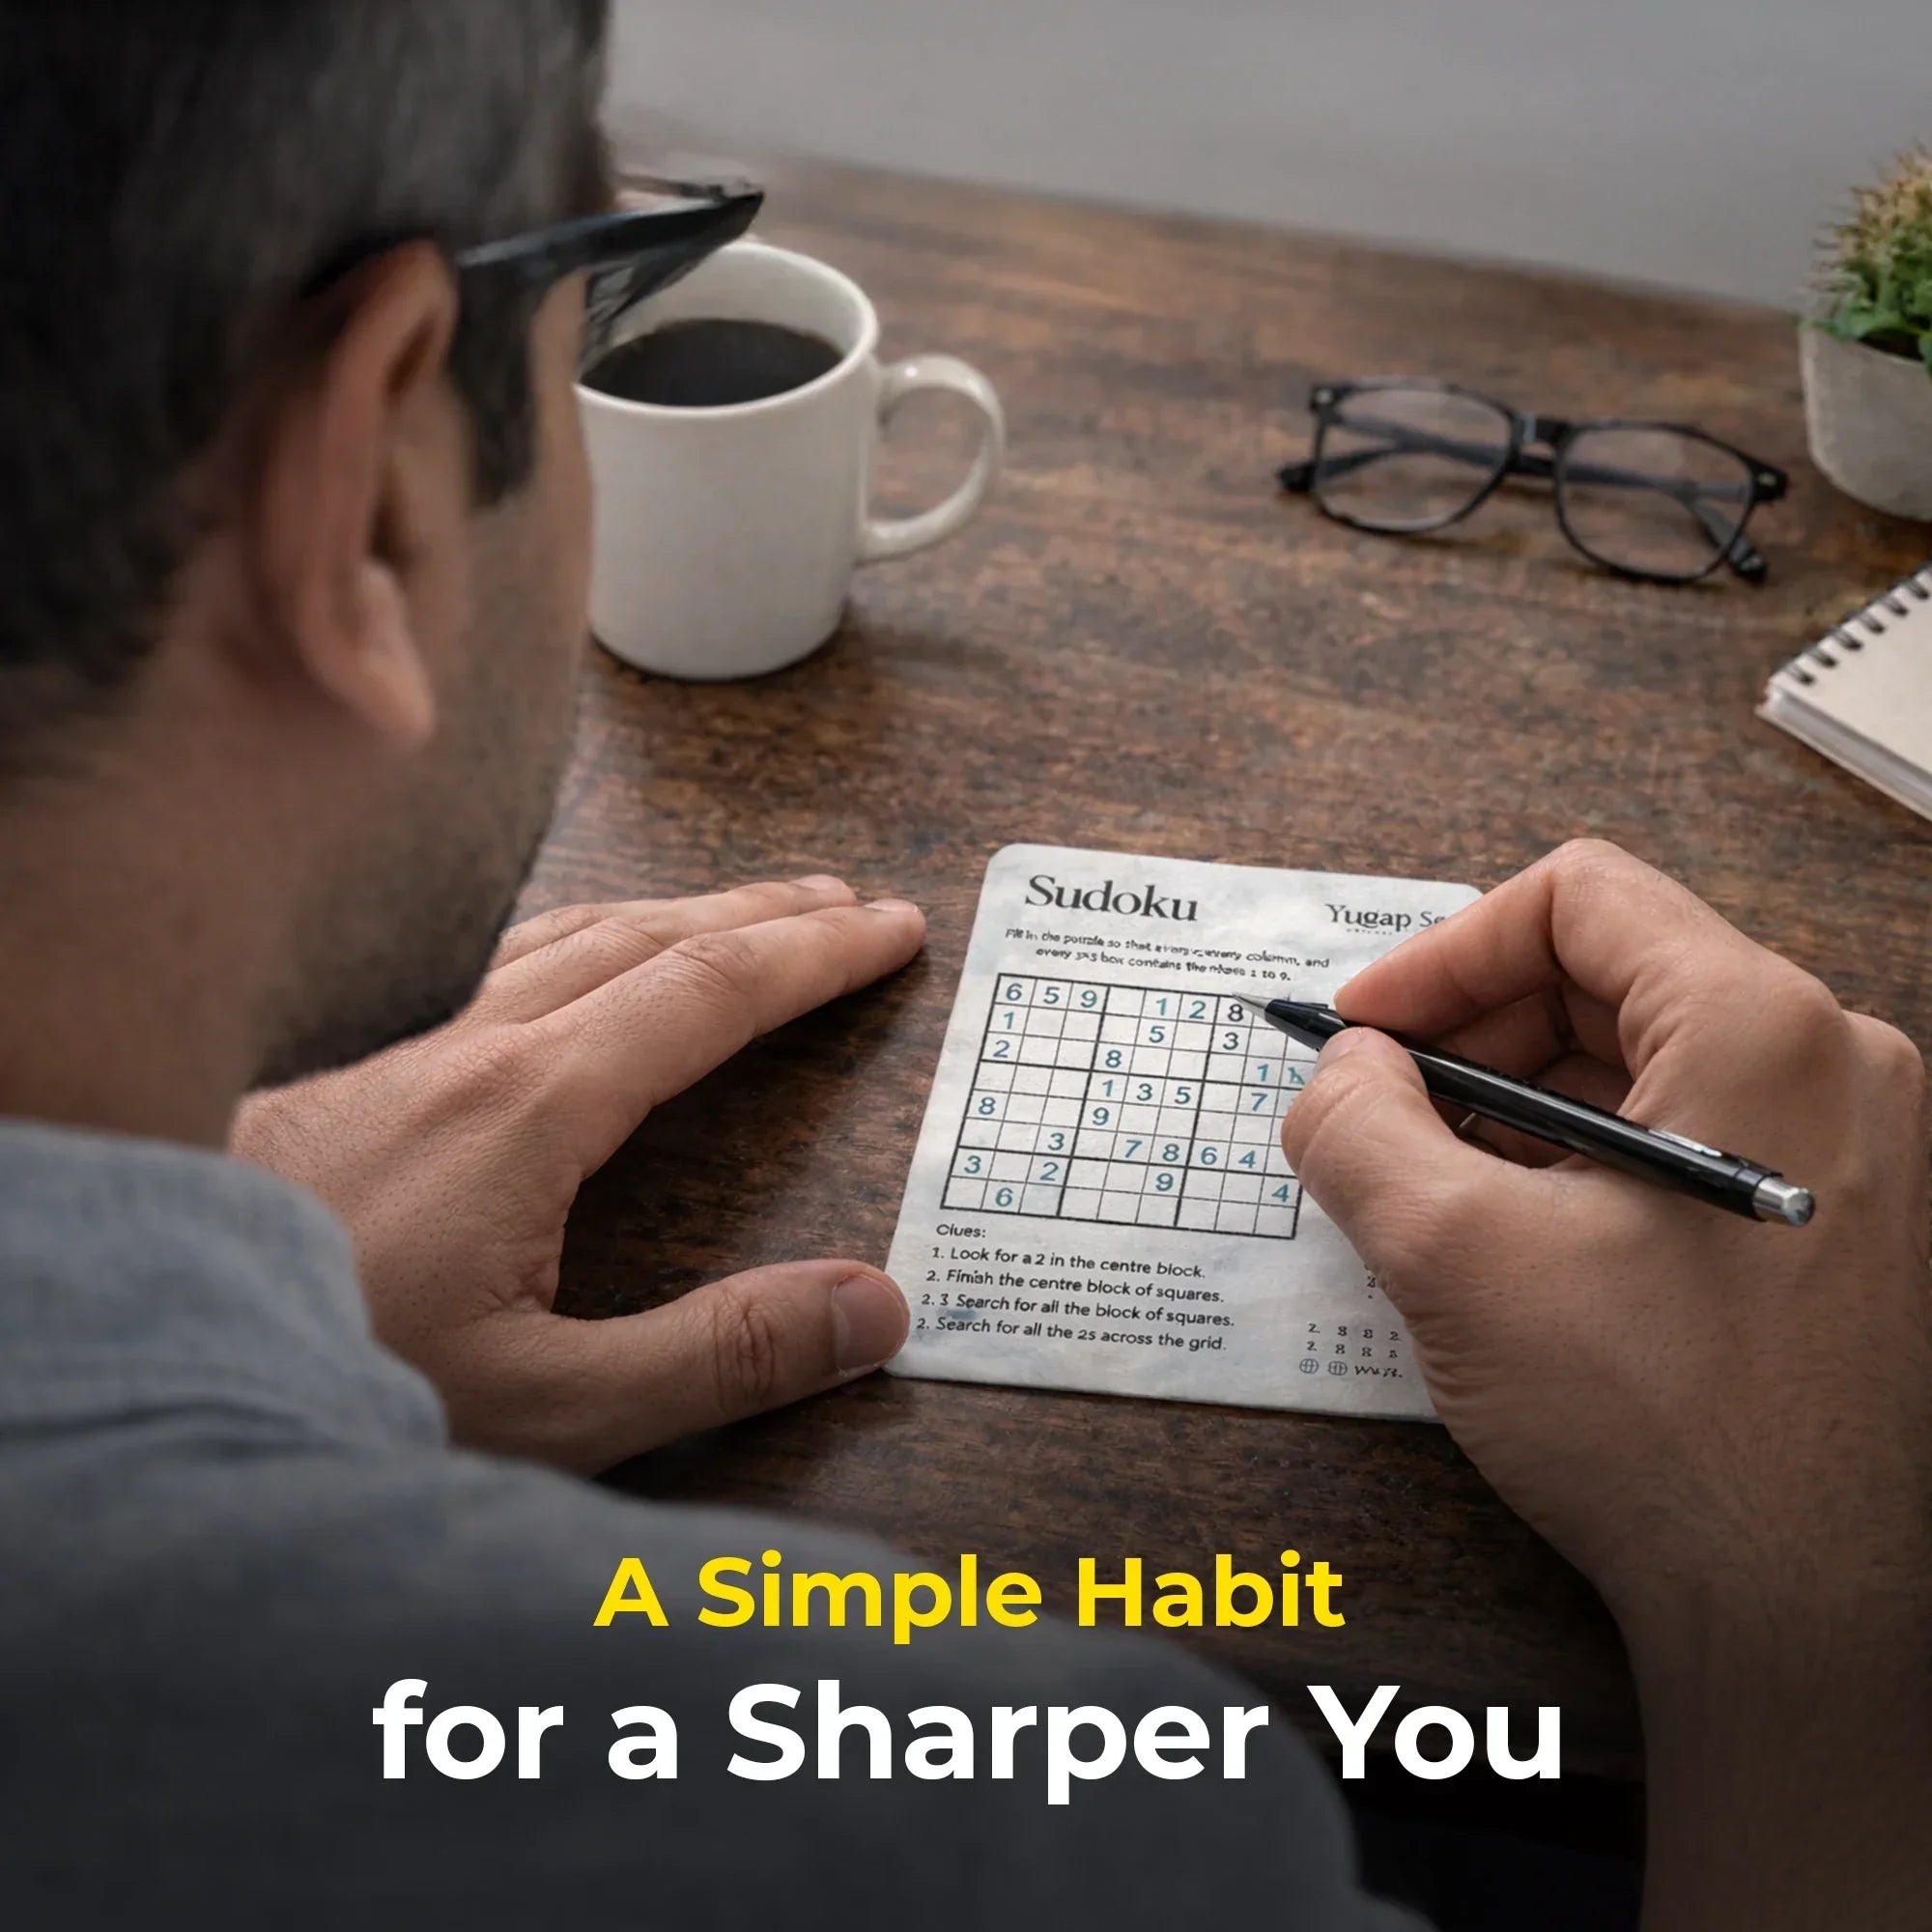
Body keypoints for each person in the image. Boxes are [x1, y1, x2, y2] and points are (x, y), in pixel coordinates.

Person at [0, 5, 1925, 1927]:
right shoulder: (1013, 1824)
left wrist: (241, 1327)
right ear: (376, 495)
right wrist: (1821, 1602)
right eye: (591, 288)